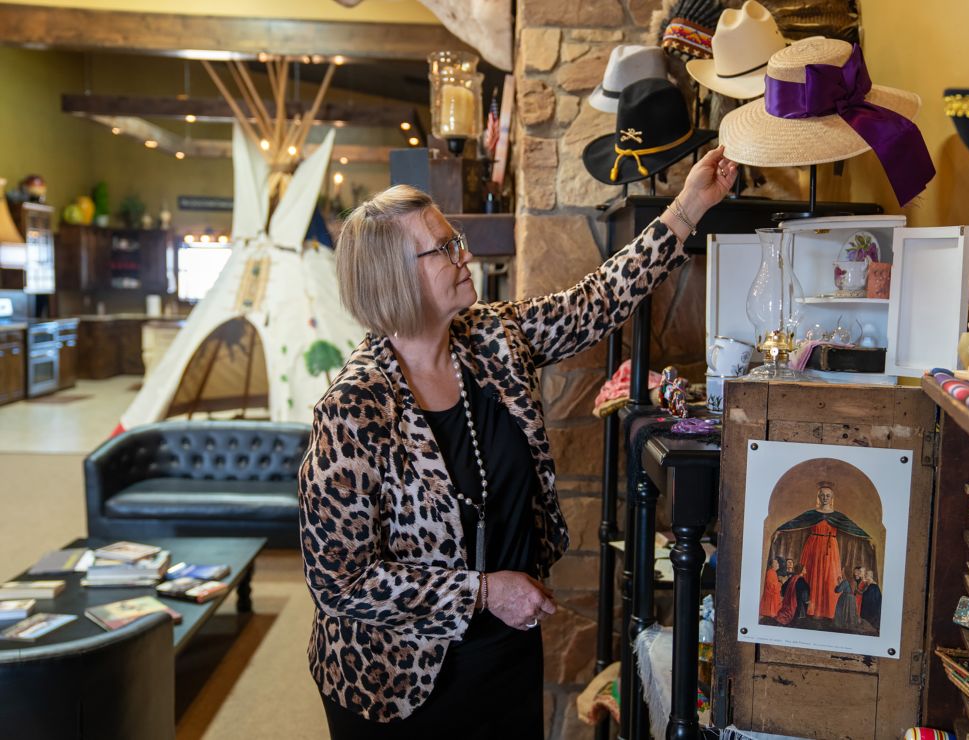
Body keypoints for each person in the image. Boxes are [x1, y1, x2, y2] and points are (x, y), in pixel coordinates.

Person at [298, 148, 739, 739]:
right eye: (446, 248)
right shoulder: (352, 410)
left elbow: (595, 302)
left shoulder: (491, 338)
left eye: (458, 241)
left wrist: (689, 207)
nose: (467, 256)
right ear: (393, 276)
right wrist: (482, 592)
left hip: (505, 646)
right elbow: (339, 582)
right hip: (396, 679)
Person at [767, 482, 875, 621]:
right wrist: (780, 529)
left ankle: (827, 611)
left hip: (830, 552)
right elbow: (796, 522)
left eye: (828, 495)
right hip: (813, 548)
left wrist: (868, 537)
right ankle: (810, 609)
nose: (825, 498)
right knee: (810, 576)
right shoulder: (812, 514)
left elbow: (852, 527)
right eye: (822, 495)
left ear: (832, 498)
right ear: (819, 497)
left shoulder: (837, 516)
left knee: (828, 578)